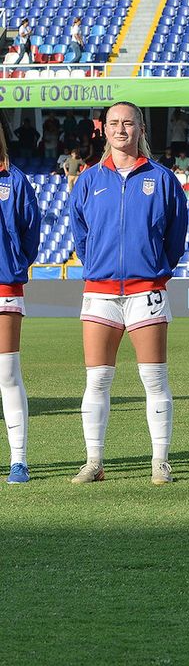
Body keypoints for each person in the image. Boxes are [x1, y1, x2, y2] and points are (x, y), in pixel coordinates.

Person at [69, 102, 188, 485]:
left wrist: (153, 267)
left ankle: (159, 461)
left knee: (154, 379)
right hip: (100, 292)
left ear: (140, 129)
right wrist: (100, 268)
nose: (121, 129)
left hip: (146, 291)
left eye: (129, 123)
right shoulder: (88, 180)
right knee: (97, 380)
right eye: (114, 123)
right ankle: (94, 461)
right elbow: (82, 237)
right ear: (103, 129)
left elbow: (175, 237)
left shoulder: (163, 179)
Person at [0, 126, 40, 483]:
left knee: (7, 373)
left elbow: (31, 234)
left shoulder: (16, 181)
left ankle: (19, 459)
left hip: (3, 286)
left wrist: (11, 265)